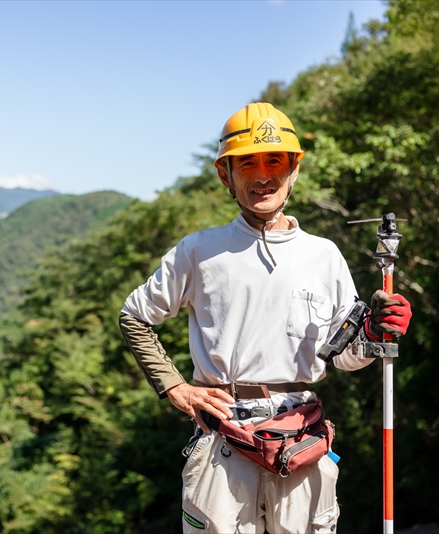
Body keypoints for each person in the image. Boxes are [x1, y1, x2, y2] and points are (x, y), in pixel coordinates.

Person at [118, 102, 412, 533]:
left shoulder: (323, 255)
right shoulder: (199, 251)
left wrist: (373, 332)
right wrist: (175, 388)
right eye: (248, 163)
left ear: (293, 169)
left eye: (275, 159)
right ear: (226, 175)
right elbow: (135, 316)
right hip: (224, 441)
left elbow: (345, 355)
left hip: (303, 440)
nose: (262, 175)